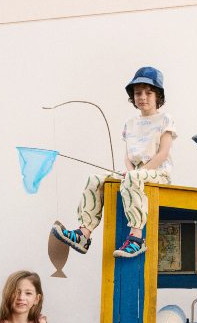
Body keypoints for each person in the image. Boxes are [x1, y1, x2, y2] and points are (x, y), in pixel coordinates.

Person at [52, 66, 177, 258]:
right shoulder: (130, 123)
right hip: (135, 173)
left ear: (158, 96)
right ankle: (84, 234)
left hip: (157, 172)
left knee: (133, 179)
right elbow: (128, 155)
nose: (142, 97)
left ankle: (136, 238)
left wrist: (136, 173)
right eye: (138, 93)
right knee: (95, 179)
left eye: (148, 92)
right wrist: (130, 171)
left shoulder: (165, 119)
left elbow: (162, 153)